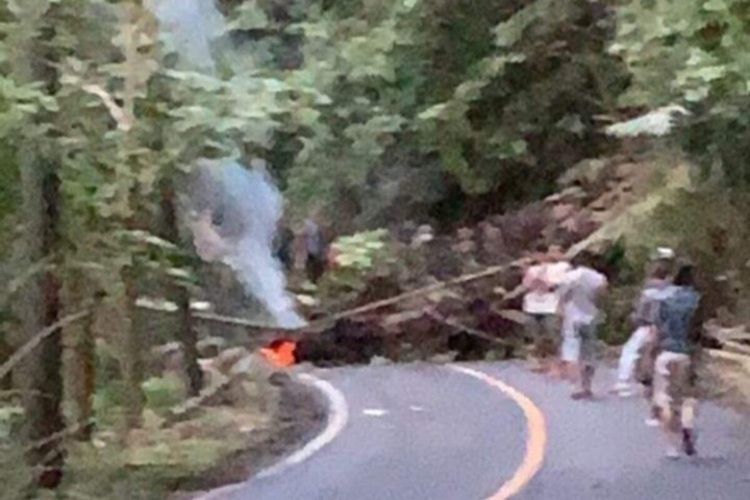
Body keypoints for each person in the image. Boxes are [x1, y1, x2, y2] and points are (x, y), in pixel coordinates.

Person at [651, 263, 701, 458]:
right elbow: (698, 330)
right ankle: (687, 426)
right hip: (685, 353)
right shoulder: (696, 300)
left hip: (665, 352)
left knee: (665, 398)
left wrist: (652, 351)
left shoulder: (665, 298)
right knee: (687, 396)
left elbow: (656, 328)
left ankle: (671, 446)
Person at [613, 255, 674, 397]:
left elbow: (642, 309)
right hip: (665, 327)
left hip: (647, 325)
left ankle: (624, 382)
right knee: (656, 354)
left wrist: (637, 318)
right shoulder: (670, 290)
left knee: (630, 351)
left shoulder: (649, 289)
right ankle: (655, 384)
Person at [557, 251, 608, 400]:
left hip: (572, 318)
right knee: (589, 351)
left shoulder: (569, 277)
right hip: (591, 317)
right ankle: (587, 386)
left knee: (572, 351)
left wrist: (560, 310)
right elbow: (602, 295)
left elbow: (562, 296)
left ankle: (576, 387)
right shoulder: (598, 277)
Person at [522, 245, 571, 373]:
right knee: (533, 335)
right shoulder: (532, 269)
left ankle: (560, 360)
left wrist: (544, 280)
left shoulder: (562, 267)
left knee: (553, 333)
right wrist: (527, 270)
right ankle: (538, 361)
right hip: (532, 306)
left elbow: (557, 285)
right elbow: (527, 284)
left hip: (551, 306)